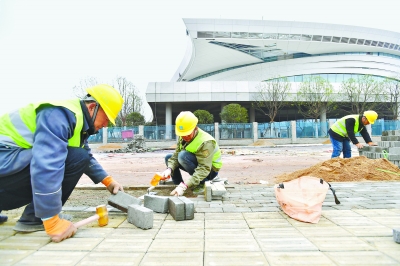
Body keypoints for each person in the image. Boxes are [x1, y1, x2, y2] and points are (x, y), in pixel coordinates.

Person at [0, 84, 125, 243]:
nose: (106, 125)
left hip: (7, 166)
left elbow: (84, 153)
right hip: (4, 163)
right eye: (106, 118)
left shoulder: (75, 121)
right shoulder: (58, 115)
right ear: (93, 107)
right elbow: (47, 164)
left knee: (78, 156)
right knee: (71, 158)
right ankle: (35, 218)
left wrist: (107, 180)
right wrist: (51, 220)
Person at [160, 111, 222, 196]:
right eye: (182, 134)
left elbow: (204, 168)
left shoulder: (206, 142)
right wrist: (169, 169)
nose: (185, 137)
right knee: (169, 157)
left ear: (195, 128)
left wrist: (186, 185)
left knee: (183, 156)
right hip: (199, 165)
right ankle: (178, 186)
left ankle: (202, 183)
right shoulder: (183, 138)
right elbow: (174, 157)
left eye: (187, 134)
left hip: (210, 171)